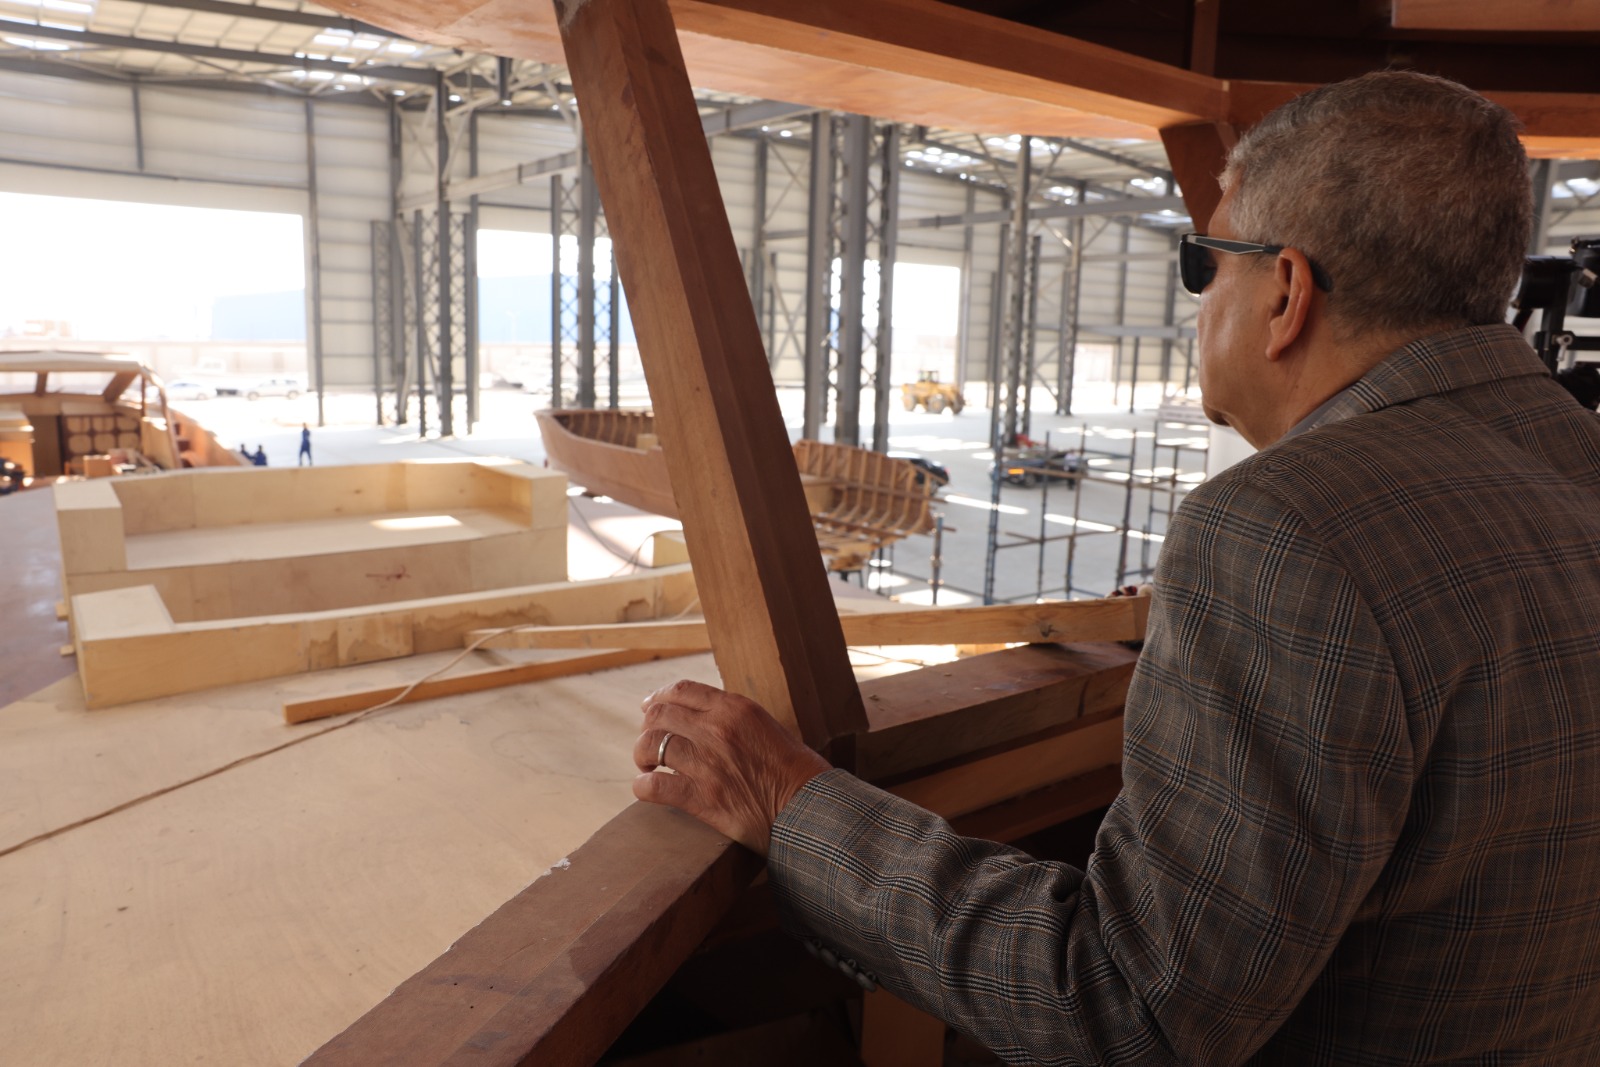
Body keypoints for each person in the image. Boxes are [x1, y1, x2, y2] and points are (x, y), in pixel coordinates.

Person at [631, 71, 1600, 1064]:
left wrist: (793, 804)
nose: (1199, 302)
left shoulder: (1283, 530)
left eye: (1202, 263)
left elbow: (1126, 1012)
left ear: (1285, 292)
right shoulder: (1574, 456)